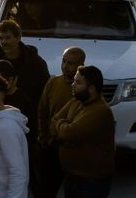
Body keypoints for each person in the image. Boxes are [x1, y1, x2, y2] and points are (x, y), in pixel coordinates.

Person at [51, 65, 115, 198]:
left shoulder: (100, 111)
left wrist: (61, 126)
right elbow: (54, 120)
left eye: (78, 82)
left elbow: (69, 133)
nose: (73, 85)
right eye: (74, 81)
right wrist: (63, 126)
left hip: (90, 183)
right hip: (73, 177)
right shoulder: (77, 100)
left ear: (91, 88)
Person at [37, 47, 86, 198]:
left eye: (70, 63)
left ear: (80, 65)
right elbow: (42, 110)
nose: (65, 66)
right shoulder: (53, 82)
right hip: (51, 145)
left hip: (72, 150)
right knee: (46, 188)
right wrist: (43, 135)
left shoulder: (84, 89)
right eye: (64, 61)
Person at [0, 20, 50, 104]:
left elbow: (45, 92)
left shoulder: (36, 63)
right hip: (0, 108)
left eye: (8, 37)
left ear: (18, 38)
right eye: (1, 38)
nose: (4, 42)